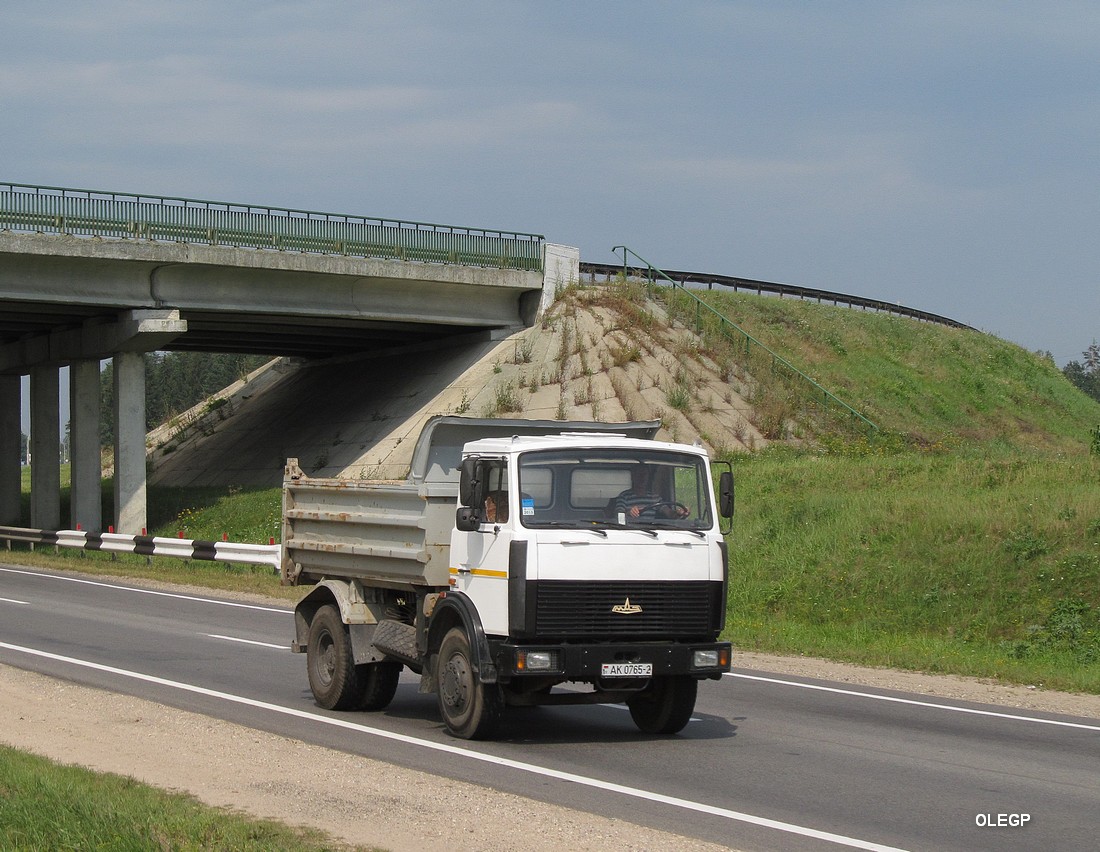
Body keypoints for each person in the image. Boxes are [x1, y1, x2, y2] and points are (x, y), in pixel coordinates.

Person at [612, 466, 688, 520]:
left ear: (648, 477)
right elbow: (618, 514)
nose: (642, 478)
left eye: (645, 475)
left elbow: (669, 513)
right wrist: (629, 512)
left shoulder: (654, 498)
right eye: (639, 475)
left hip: (651, 533)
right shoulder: (624, 496)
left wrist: (679, 513)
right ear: (633, 477)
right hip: (629, 532)